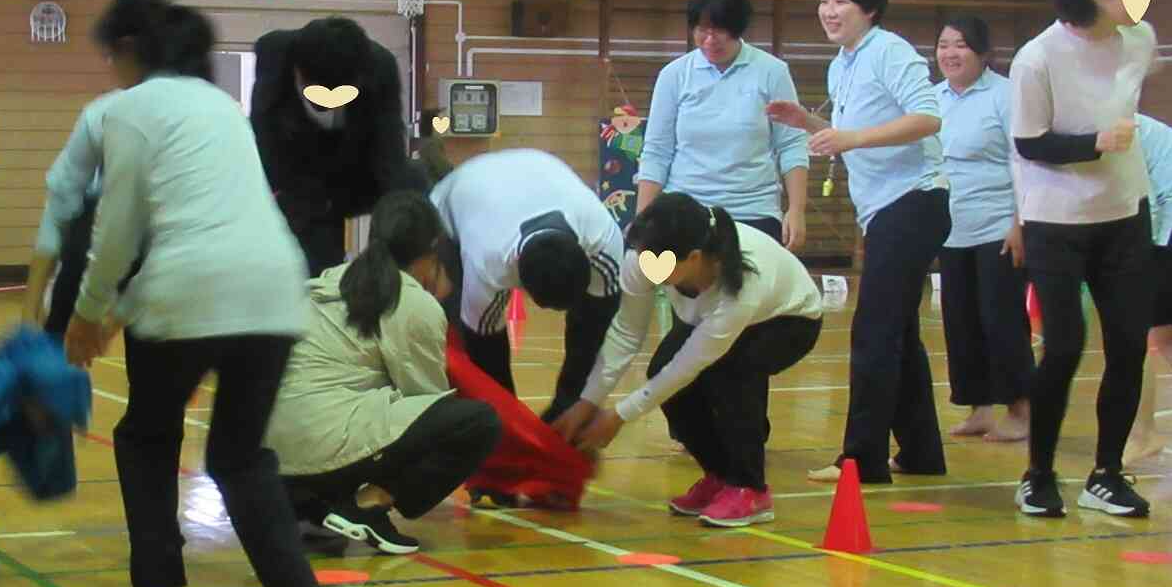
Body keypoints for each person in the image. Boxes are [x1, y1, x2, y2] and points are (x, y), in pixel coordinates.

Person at [64, 0, 325, 587]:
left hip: (185, 291)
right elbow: (212, 219)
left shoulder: (129, 110)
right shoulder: (222, 109)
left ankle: (155, 583)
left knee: (148, 437)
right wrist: (120, 307)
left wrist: (88, 311)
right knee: (240, 454)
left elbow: (119, 226)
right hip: (274, 286)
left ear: (129, 50)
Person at [767, 0, 949, 485]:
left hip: (914, 201)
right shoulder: (842, 63)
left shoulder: (891, 52)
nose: (828, 11)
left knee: (873, 331)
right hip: (884, 208)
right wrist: (812, 124)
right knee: (898, 331)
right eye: (823, 0)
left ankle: (862, 458)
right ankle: (920, 451)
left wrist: (849, 138)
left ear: (869, 7)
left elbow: (927, 117)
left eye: (840, 1)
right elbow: (855, 132)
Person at [1006, 0, 1156, 519]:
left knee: (1127, 346)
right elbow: (1029, 141)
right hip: (1056, 219)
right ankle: (1038, 473)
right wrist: (1094, 143)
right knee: (1064, 345)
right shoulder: (1037, 59)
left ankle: (1106, 473)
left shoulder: (1138, 40)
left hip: (1124, 213)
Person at [564, 194, 824, 527]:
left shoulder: (743, 284)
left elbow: (689, 366)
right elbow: (627, 333)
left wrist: (618, 416)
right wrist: (589, 401)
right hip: (711, 321)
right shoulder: (647, 257)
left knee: (731, 373)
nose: (647, 270)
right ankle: (720, 475)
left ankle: (750, 488)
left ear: (695, 258)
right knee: (660, 370)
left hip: (789, 319)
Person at [265, 191, 501, 554]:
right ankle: (368, 505)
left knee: (357, 412)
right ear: (433, 247)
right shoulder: (412, 302)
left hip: (273, 466)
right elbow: (424, 399)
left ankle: (318, 508)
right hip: (323, 451)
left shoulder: (333, 277)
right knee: (477, 422)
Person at [24, 0, 216, 339]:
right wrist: (32, 307)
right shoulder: (103, 114)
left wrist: (104, 318)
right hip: (104, 249)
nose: (110, 66)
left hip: (170, 259)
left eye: (112, 55)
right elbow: (60, 203)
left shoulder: (201, 121)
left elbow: (130, 231)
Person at [430, 147, 625, 425]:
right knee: (461, 340)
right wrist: (513, 428)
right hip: (454, 199)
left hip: (535, 168)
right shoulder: (487, 260)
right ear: (519, 280)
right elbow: (486, 351)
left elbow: (595, 332)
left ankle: (564, 413)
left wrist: (574, 404)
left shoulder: (603, 238)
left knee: (590, 324)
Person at [636, 0, 811, 248]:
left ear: (738, 28)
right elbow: (657, 151)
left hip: (754, 212)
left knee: (751, 289)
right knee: (675, 286)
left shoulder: (772, 72)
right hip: (685, 213)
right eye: (701, 30)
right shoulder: (674, 76)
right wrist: (643, 220)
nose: (709, 40)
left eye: (719, 31)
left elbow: (791, 145)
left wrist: (797, 210)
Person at [932, 16, 1033, 444]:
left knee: (1003, 320)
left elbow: (1026, 162)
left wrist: (1020, 223)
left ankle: (1022, 408)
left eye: (961, 46)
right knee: (961, 321)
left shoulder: (1006, 95)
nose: (950, 54)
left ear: (984, 54)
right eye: (943, 45)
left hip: (998, 225)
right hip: (951, 227)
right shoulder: (931, 98)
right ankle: (979, 408)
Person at [250, 16, 412, 275]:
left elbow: (389, 151)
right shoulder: (275, 53)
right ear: (298, 71)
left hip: (354, 166)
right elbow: (264, 131)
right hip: (296, 162)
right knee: (307, 236)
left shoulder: (380, 67)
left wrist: (394, 233)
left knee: (411, 187)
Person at [1128, 114, 1172, 465]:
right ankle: (1142, 432)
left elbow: (1142, 200)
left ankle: (1142, 433)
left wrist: (1138, 257)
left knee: (1135, 334)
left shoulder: (1118, 125)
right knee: (1168, 336)